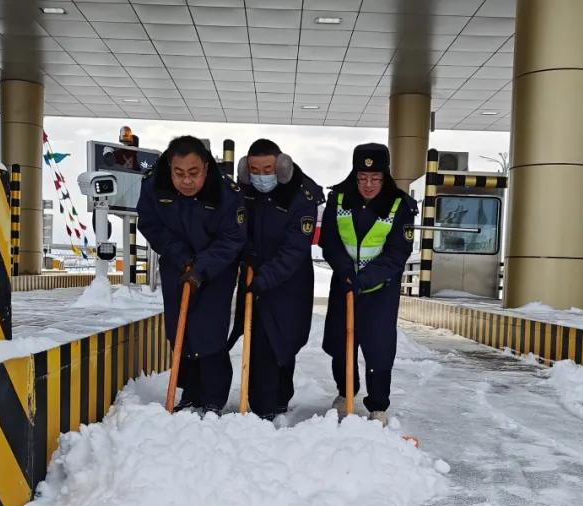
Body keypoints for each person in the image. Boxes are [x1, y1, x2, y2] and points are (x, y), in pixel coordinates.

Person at [137, 136, 246, 415]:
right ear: (170, 168)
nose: (186, 181)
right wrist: (181, 256)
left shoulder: (226, 193)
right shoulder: (154, 185)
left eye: (193, 173)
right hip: (176, 263)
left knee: (209, 328)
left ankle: (213, 398)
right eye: (179, 173)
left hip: (216, 267)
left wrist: (201, 267)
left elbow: (232, 238)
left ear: (206, 168)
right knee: (180, 328)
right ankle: (189, 392)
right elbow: (150, 224)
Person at [318, 143, 418, 426]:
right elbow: (330, 242)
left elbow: (397, 253)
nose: (369, 185)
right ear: (355, 175)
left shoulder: (399, 204)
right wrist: (345, 271)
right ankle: (346, 391)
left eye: (375, 178)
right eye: (362, 178)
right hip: (344, 284)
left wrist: (364, 279)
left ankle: (378, 404)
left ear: (385, 176)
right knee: (341, 344)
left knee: (379, 348)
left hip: (380, 290)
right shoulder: (338, 199)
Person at [227, 139, 325, 426]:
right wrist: (246, 257)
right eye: (255, 170)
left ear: (281, 166)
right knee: (260, 343)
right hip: (254, 278)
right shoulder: (243, 193)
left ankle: (278, 399)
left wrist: (264, 278)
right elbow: (235, 229)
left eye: (268, 169)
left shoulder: (301, 197)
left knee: (282, 342)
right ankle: (263, 406)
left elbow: (294, 249)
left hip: (289, 285)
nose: (261, 176)